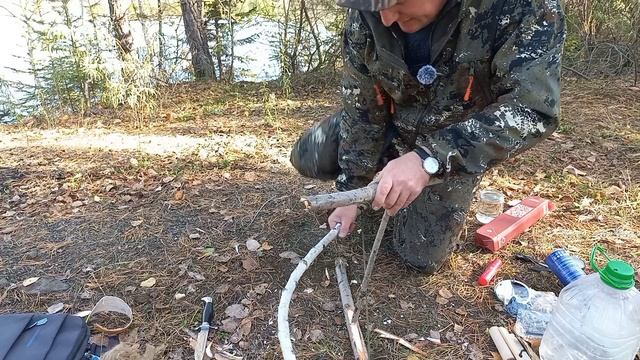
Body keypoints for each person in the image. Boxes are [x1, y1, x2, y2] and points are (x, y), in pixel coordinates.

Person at [290, 0, 566, 273]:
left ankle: (428, 176)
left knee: (421, 256)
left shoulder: (525, 7)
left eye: (396, 2)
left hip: (455, 140)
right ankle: (390, 163)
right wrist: (350, 190)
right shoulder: (369, 13)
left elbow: (532, 110)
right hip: (392, 124)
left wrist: (430, 159)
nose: (385, 19)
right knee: (308, 155)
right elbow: (363, 104)